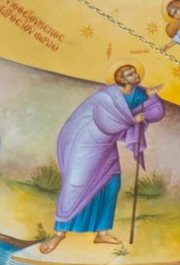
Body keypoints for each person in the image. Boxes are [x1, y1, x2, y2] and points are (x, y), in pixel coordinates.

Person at [40, 63, 163, 253]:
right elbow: (107, 123)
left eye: (135, 72)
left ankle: (102, 232)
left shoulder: (139, 93)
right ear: (121, 79)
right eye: (130, 74)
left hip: (106, 146)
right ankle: (59, 233)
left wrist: (152, 95)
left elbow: (156, 113)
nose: (136, 75)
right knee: (76, 185)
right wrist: (133, 118)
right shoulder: (105, 97)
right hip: (86, 143)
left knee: (111, 184)